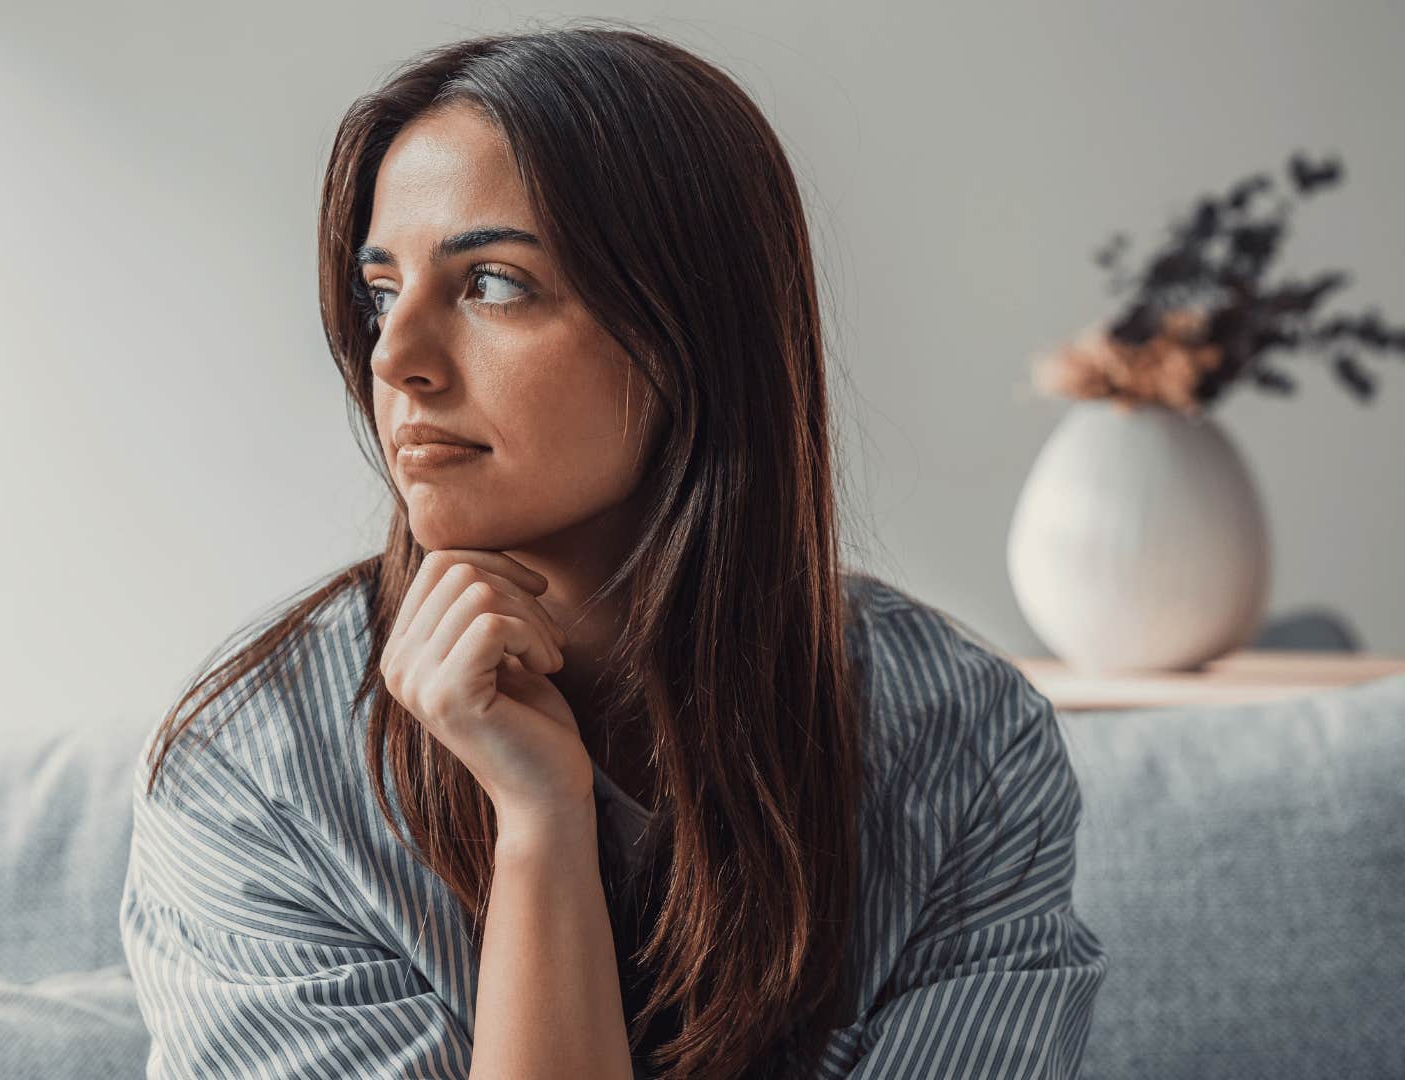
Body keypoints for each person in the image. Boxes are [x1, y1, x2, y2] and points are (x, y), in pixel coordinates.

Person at [119, 19, 1109, 1080]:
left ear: (688, 334)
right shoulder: (257, 775)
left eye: (492, 283)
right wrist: (543, 826)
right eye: (378, 292)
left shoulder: (959, 749)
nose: (396, 358)